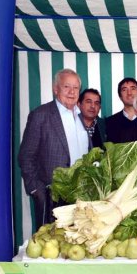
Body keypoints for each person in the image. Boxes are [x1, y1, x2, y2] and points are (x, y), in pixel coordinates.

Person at [18, 68, 89, 227]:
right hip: (52, 196)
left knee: (75, 243)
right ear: (55, 88)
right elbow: (26, 155)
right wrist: (36, 190)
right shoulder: (41, 115)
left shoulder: (79, 115)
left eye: (76, 88)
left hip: (79, 195)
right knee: (50, 246)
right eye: (66, 87)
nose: (72, 92)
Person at [105, 78, 137, 143]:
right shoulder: (109, 123)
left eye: (133, 88)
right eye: (124, 90)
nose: (129, 93)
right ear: (120, 96)